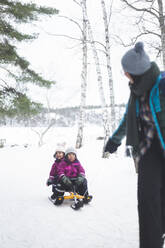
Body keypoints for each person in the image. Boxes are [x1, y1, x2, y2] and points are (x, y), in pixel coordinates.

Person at [104, 42, 165, 248]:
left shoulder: (162, 84)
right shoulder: (136, 93)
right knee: (147, 200)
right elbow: (127, 120)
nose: (125, 75)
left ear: (136, 72)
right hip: (148, 153)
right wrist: (114, 140)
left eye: (126, 71)